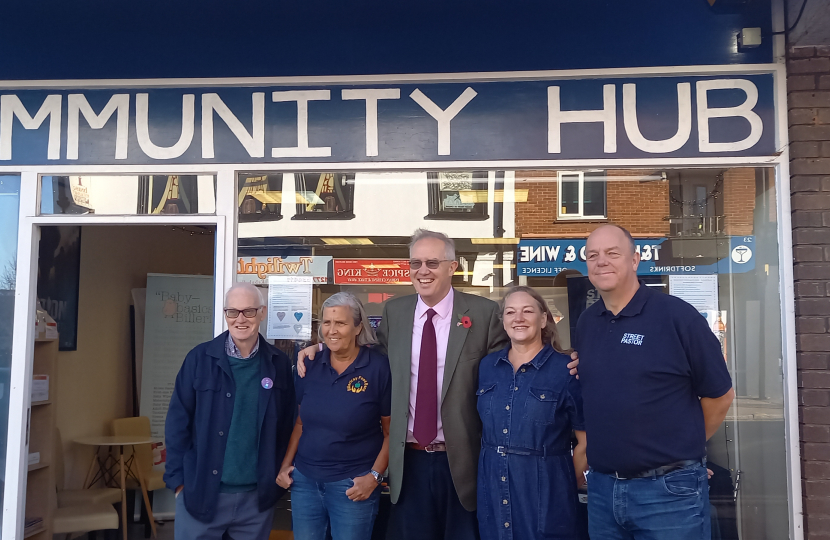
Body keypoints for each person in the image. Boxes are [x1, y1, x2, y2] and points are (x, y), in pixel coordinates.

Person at [576, 224, 735, 540]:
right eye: (592, 255)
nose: (601, 261)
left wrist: (684, 449)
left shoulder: (677, 317)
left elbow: (721, 395)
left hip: (668, 493)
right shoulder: (587, 323)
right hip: (604, 491)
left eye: (612, 253)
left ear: (635, 260)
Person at [164, 283, 296, 540]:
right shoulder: (199, 359)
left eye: (248, 311)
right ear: (225, 314)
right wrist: (179, 482)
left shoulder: (279, 363)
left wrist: (275, 480)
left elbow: (288, 425)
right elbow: (177, 422)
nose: (240, 319)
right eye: (232, 312)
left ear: (262, 312)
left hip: (256, 500)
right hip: (201, 493)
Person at [277, 292, 391, 540]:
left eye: (340, 323)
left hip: (352, 485)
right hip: (305, 482)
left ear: (358, 326)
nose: (332, 330)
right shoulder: (309, 364)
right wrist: (287, 465)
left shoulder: (378, 368)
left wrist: (374, 477)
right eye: (327, 323)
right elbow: (300, 422)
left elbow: (391, 433)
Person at [477, 286, 587, 540]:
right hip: (492, 491)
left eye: (528, 311)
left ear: (544, 319)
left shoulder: (566, 369)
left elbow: (586, 441)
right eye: (511, 312)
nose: (519, 318)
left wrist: (563, 485)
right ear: (503, 321)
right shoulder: (487, 367)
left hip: (546, 496)